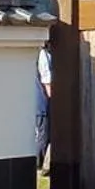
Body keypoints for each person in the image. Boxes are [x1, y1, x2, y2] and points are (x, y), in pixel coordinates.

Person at [33, 42, 52, 175]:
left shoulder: (35, 54)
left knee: (41, 134)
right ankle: (39, 165)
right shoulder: (43, 55)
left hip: (37, 102)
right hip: (42, 103)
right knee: (43, 135)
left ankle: (41, 165)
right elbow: (47, 80)